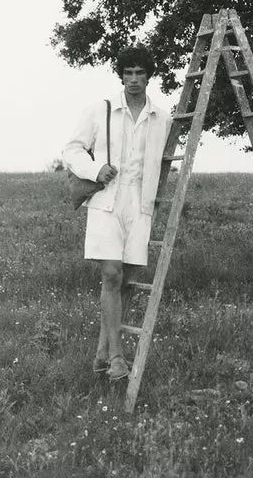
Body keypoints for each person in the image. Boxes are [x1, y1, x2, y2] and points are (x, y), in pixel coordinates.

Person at [62, 46, 172, 380]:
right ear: (120, 75)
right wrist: (96, 170)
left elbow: (162, 164)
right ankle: (118, 357)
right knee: (111, 274)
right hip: (107, 199)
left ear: (149, 76)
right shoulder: (101, 110)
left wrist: (154, 199)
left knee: (129, 280)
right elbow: (71, 149)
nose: (134, 80)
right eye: (128, 73)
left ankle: (101, 353)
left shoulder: (162, 118)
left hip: (140, 202)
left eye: (140, 73)